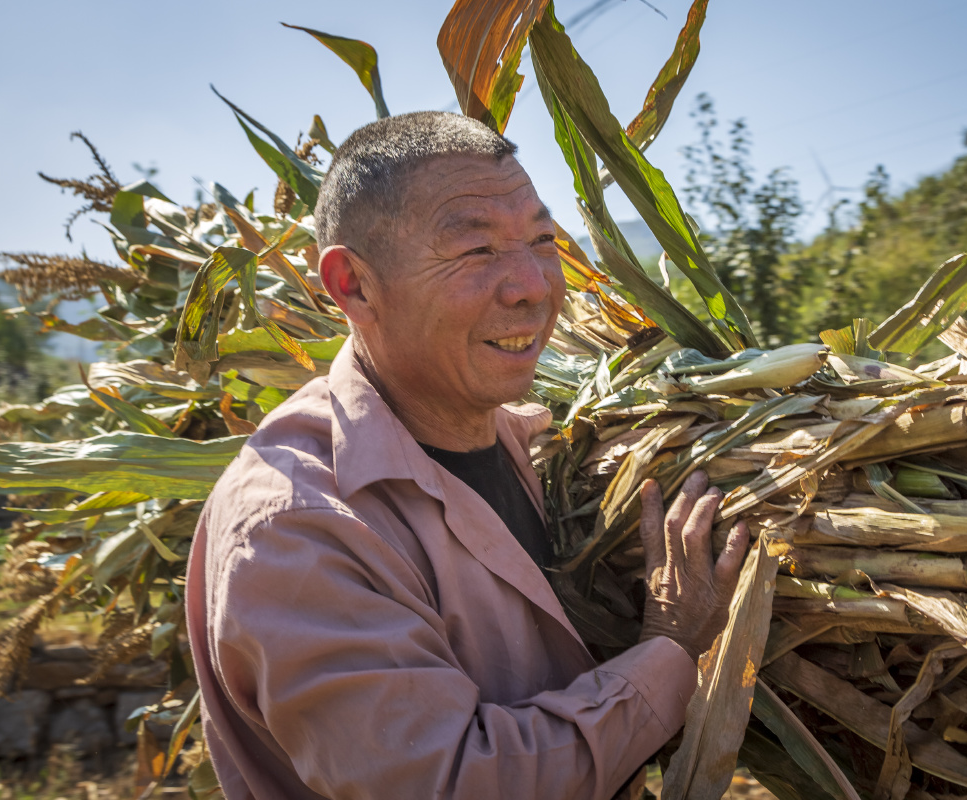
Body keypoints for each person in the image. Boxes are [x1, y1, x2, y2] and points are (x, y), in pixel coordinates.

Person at [185, 111, 747, 800]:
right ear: (353, 284)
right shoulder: (297, 525)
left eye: (542, 240)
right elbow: (452, 781)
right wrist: (671, 650)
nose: (533, 286)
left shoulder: (529, 442)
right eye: (476, 250)